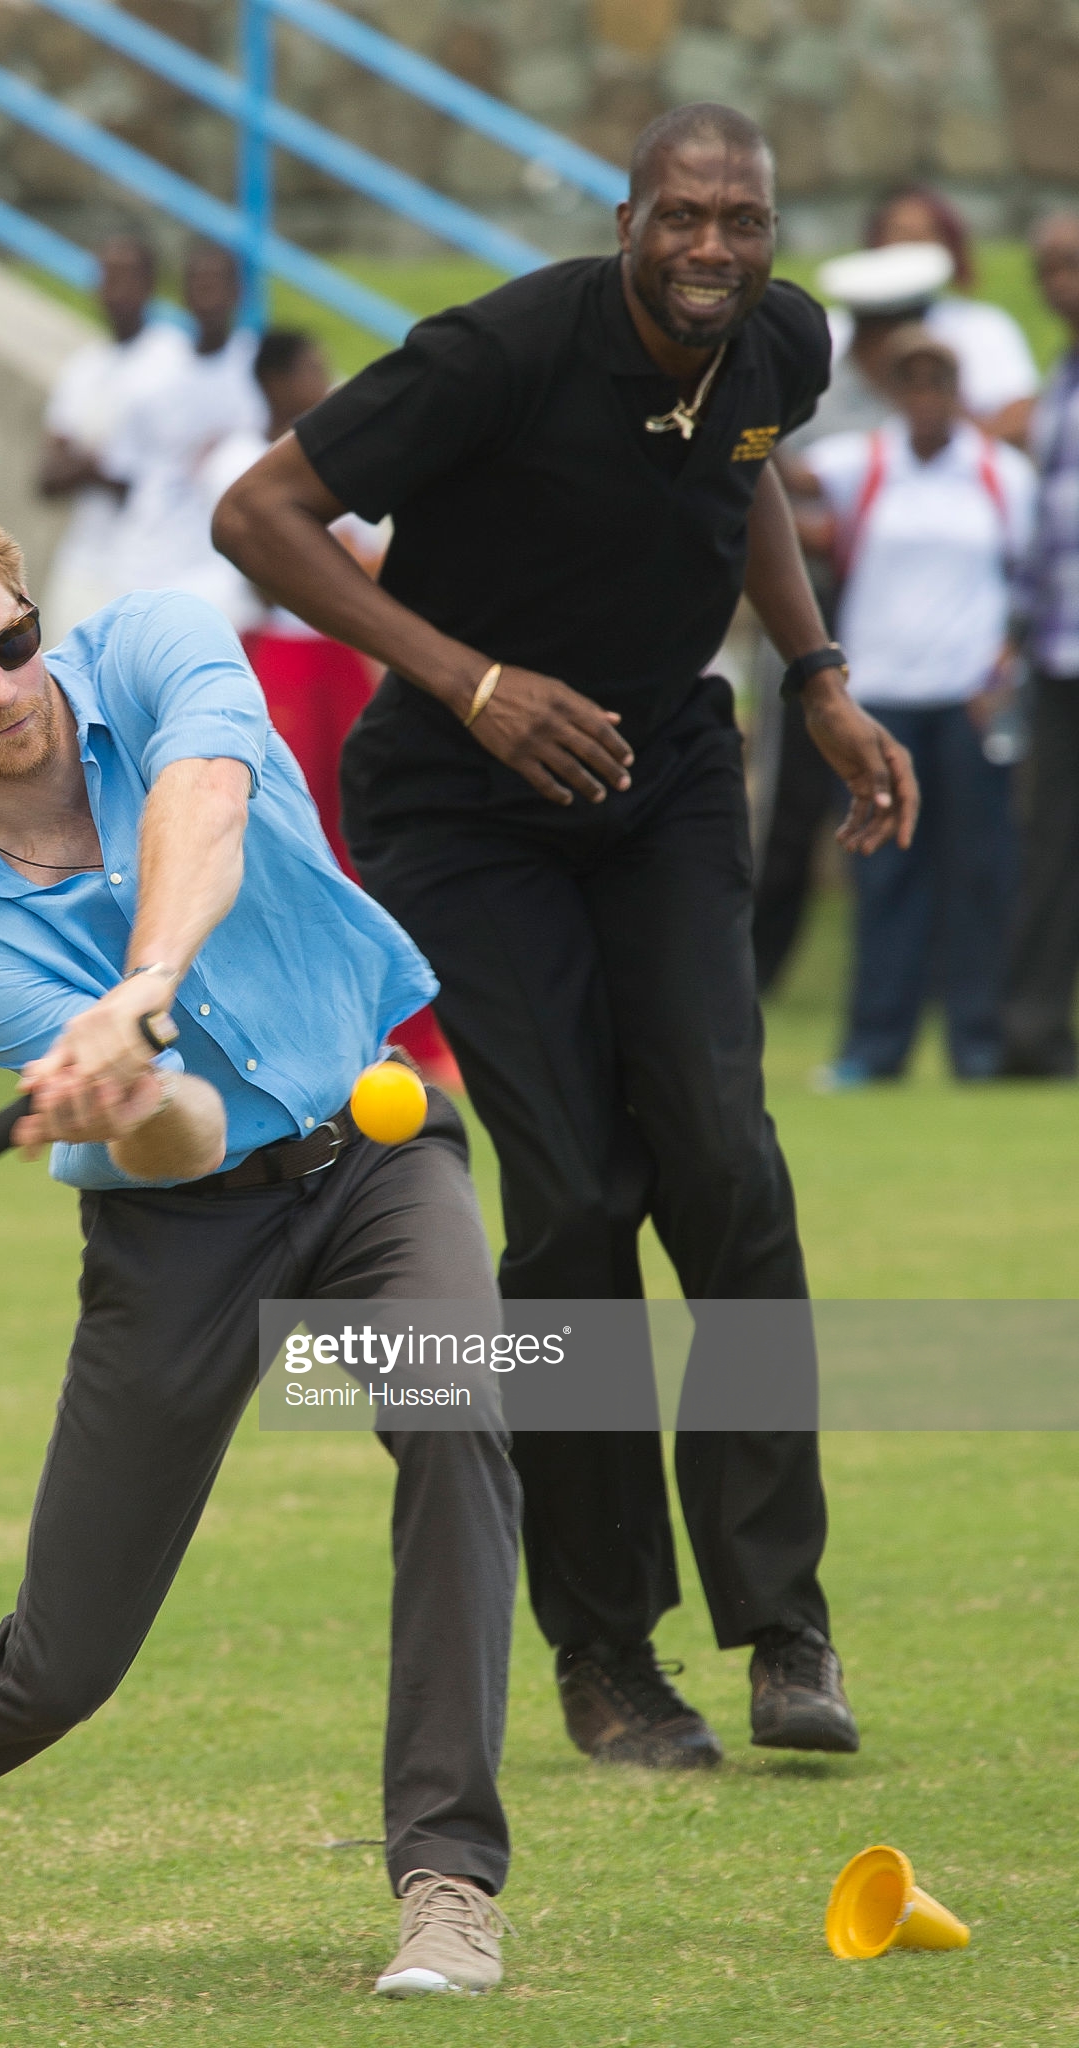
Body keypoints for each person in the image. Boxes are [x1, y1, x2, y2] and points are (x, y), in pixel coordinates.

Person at [0, 499, 523, 1999]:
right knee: (66, 1658)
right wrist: (132, 1090)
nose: (2, 689)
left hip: (376, 1146)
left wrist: (142, 984)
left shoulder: (160, 640)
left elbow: (204, 800)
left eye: (11, 642)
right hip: (180, 1229)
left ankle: (448, 1884)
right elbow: (185, 1137)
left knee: (459, 1414)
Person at [216, 104, 919, 1768]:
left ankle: (783, 1624)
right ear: (627, 220)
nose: (712, 250)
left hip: (662, 765)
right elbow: (261, 514)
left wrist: (813, 677)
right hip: (461, 800)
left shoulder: (777, 341)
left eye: (741, 221)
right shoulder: (497, 353)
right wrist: (466, 677)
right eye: (683, 217)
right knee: (581, 1196)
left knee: (728, 1170)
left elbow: (739, 477)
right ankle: (605, 1651)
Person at [203, 329, 461, 1087]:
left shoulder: (331, 456)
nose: (325, 381)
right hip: (280, 658)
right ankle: (288, 1035)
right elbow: (262, 570)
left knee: (365, 838)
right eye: (314, 367)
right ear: (278, 380)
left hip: (335, 659)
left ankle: (403, 1031)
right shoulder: (235, 461)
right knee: (287, 844)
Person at [795, 330, 1034, 1086]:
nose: (926, 399)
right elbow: (778, 483)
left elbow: (1028, 580)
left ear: (959, 392)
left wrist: (1006, 668)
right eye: (913, 384)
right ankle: (874, 1047)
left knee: (980, 873)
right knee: (884, 873)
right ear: (896, 392)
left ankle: (979, 1044)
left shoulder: (999, 475)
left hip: (969, 701)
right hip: (880, 702)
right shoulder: (862, 465)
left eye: (940, 383)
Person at [751, 242, 957, 994]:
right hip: (808, 608)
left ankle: (909, 983)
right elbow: (776, 485)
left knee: (898, 793)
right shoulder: (817, 392)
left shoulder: (929, 395)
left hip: (905, 614)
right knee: (788, 808)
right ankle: (751, 974)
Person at [1001, 212, 1079, 1076]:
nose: (1060, 279)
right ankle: (1034, 1036)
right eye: (1048, 265)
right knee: (1049, 844)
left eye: (1074, 262)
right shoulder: (1058, 383)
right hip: (1058, 648)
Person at [37, 234, 189, 636]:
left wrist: (90, 466)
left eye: (127, 278)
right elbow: (47, 478)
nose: (114, 291)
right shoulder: (84, 368)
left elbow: (162, 476)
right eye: (107, 278)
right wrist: (97, 468)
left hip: (157, 564)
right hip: (85, 557)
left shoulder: (175, 362)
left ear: (151, 285)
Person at [102, 241, 266, 612]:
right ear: (183, 293)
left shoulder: (259, 371)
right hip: (148, 560)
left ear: (239, 292)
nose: (208, 296)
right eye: (198, 284)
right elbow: (122, 471)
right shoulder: (153, 375)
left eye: (218, 283)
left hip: (226, 566)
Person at [857, 185, 1040, 446]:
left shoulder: (984, 326)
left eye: (923, 236)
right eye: (899, 234)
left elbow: (1021, 421)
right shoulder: (834, 329)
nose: (909, 247)